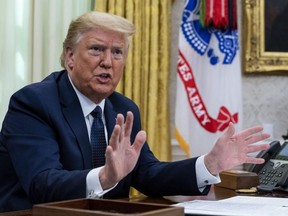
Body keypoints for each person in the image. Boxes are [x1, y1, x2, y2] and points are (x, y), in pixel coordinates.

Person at [0, 11, 270, 212]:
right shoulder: (33, 103)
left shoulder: (123, 108)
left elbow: (147, 175)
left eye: (117, 52)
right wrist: (105, 177)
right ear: (70, 56)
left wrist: (208, 164)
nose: (107, 62)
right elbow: (42, 184)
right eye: (96, 49)